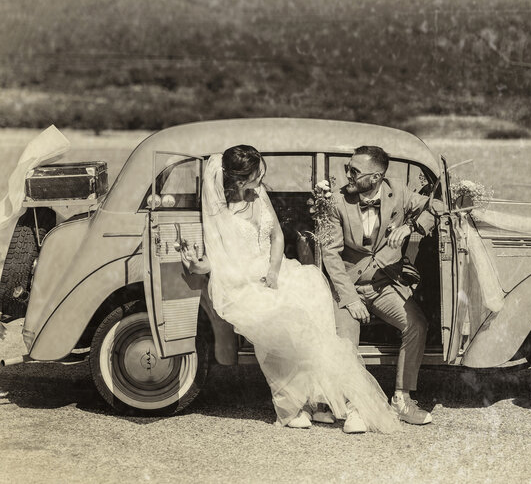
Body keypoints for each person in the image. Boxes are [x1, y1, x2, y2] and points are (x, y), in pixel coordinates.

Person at [180, 145, 399, 434]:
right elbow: (217, 257)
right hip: (243, 283)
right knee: (285, 318)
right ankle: (294, 405)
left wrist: (273, 271)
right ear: (240, 179)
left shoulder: (260, 193)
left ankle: (321, 401)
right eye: (257, 173)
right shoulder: (221, 209)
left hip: (277, 270)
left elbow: (277, 236)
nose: (262, 177)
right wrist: (197, 266)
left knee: (313, 298)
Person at [320, 146, 440, 425]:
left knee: (416, 325)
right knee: (346, 341)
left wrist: (411, 227)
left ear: (376, 177)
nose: (348, 175)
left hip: (384, 284)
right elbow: (331, 255)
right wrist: (350, 299)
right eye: (347, 168)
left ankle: (401, 400)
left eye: (354, 171)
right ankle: (352, 406)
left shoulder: (397, 192)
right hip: (348, 286)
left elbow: (437, 206)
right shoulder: (337, 202)